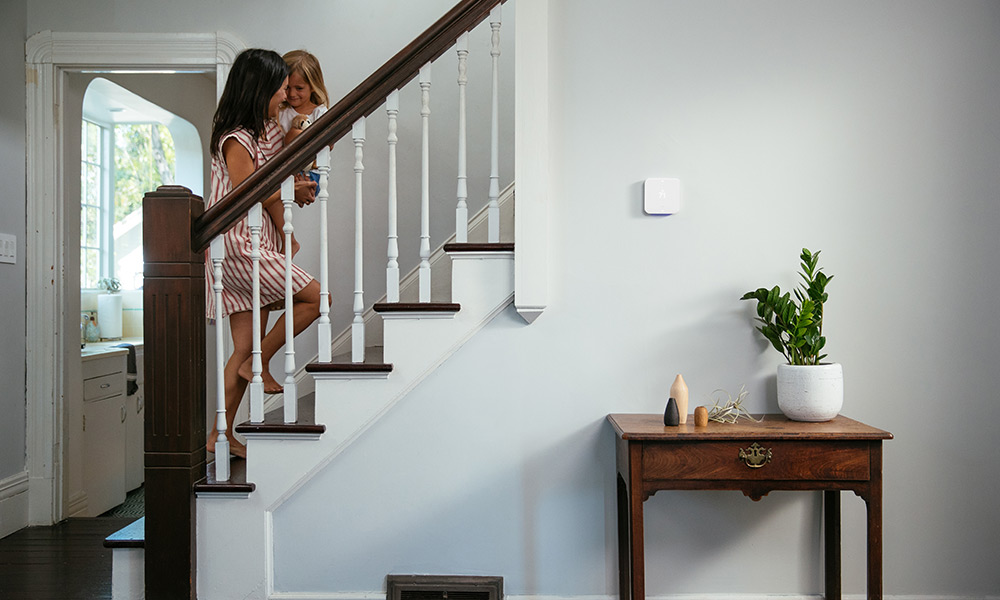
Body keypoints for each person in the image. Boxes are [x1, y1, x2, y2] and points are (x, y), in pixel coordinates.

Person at [205, 48, 320, 458]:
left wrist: (295, 186)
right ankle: (259, 360)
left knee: (239, 348)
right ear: (259, 89)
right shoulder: (236, 139)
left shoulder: (261, 132)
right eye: (279, 89)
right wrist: (291, 192)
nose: (284, 96)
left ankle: (220, 433)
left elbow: (273, 173)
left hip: (253, 243)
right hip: (240, 246)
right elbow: (247, 192)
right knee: (317, 298)